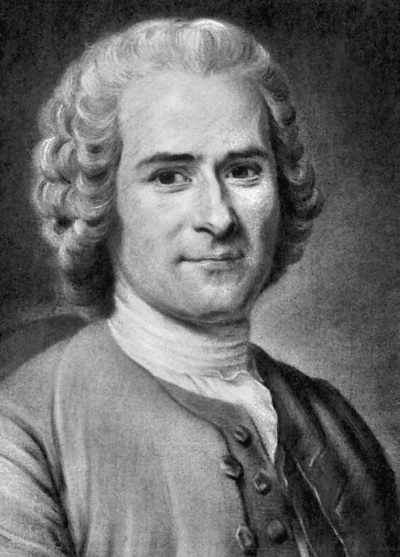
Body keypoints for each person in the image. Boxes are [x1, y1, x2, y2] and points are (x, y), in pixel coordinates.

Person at [0, 17, 398, 557]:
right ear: (97, 202)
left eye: (243, 171)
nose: (219, 217)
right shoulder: (25, 431)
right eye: (170, 176)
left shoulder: (336, 425)